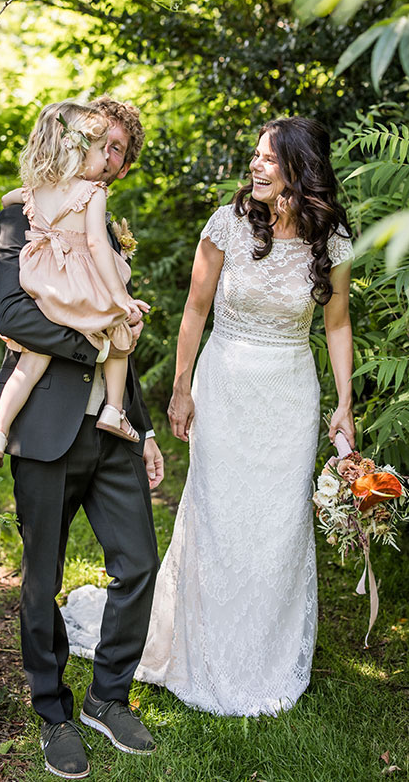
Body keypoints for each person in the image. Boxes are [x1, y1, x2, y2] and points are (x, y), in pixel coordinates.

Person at [126, 115, 354, 715]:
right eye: (253, 155)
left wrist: (345, 405)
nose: (253, 165)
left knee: (277, 524)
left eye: (267, 159)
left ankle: (266, 656)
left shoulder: (329, 240)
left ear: (298, 171)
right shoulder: (227, 224)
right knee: (219, 513)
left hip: (289, 394)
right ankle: (205, 647)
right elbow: (194, 311)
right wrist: (180, 389)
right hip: (223, 383)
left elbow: (337, 324)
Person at [0, 95, 164, 779]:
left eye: (121, 150)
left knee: (138, 564)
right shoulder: (20, 206)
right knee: (43, 581)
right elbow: (9, 311)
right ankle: (53, 711)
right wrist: (90, 349)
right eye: (103, 142)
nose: (111, 157)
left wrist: (143, 428)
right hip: (45, 423)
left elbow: (119, 323)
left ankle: (109, 697)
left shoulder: (105, 222)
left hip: (113, 430)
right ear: (74, 138)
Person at [0, 101, 148, 467]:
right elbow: (95, 246)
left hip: (44, 282)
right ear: (81, 148)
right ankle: (114, 411)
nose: (105, 158)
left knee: (30, 363)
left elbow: (13, 197)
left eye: (113, 151)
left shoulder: (34, 192)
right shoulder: (91, 195)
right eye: (102, 147)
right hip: (78, 285)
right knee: (117, 332)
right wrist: (121, 301)